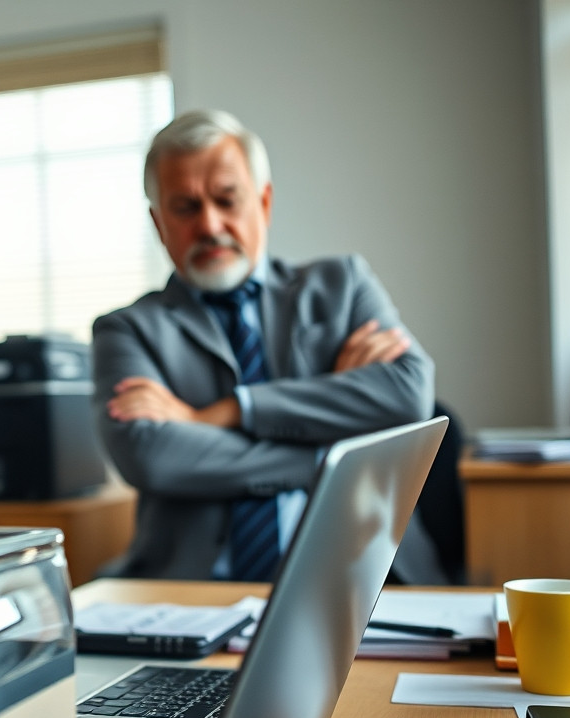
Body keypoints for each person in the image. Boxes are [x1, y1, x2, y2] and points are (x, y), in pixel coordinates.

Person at [91, 109, 435, 581]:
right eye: (186, 208)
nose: (210, 225)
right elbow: (153, 458)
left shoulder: (342, 285)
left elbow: (408, 394)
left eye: (227, 200)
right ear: (158, 223)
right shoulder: (127, 330)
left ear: (265, 203)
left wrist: (226, 413)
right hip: (191, 590)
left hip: (364, 579)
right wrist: (327, 458)